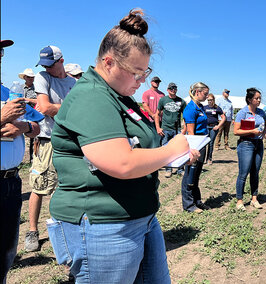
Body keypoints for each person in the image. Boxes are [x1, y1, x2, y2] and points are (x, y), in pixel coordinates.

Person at [47, 10, 198, 283]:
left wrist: (174, 155)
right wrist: (174, 148)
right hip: (104, 225)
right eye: (136, 73)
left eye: (146, 72)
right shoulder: (92, 97)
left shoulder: (120, 96)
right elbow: (122, 162)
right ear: (109, 63)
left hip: (139, 216)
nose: (142, 81)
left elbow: (139, 148)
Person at [25, 45, 76, 252]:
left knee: (64, 188)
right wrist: (72, 108)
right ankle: (32, 231)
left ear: (61, 61)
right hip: (47, 140)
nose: (46, 68)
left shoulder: (74, 82)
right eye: (44, 65)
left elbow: (53, 108)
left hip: (69, 140)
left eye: (50, 64)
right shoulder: (42, 77)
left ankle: (61, 230)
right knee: (39, 187)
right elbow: (45, 108)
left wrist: (59, 110)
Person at [1, 38, 43, 284]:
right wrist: (2, 117)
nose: (0, 56)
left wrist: (24, 127)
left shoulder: (9, 93)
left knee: (6, 250)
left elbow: (36, 126)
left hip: (11, 183)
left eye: (1, 51)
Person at [233, 88, 266, 210]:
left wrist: (264, 133)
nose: (259, 100)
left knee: (255, 172)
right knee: (243, 173)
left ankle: (254, 198)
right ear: (249, 99)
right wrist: (251, 131)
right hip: (246, 144)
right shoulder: (243, 113)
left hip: (258, 144)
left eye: (259, 98)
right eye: (256, 98)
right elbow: (236, 131)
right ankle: (240, 201)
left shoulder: (261, 112)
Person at [181, 82, 211, 213]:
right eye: (205, 94)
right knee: (189, 174)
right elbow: (190, 132)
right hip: (195, 144)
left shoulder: (201, 107)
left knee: (196, 174)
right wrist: (193, 150)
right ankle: (188, 204)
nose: (206, 96)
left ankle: (197, 201)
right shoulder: (191, 109)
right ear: (197, 92)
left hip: (202, 143)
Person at [155, 82, 186, 177]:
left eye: (175, 88)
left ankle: (180, 169)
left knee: (180, 149)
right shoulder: (163, 100)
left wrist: (184, 129)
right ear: (168, 90)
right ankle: (169, 169)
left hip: (177, 130)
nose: (173, 90)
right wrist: (158, 127)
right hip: (165, 129)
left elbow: (185, 116)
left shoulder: (181, 101)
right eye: (171, 88)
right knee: (166, 150)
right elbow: (157, 114)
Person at [18, 68, 37, 163]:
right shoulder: (20, 88)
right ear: (25, 77)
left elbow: (39, 101)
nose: (31, 79)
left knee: (33, 137)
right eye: (29, 77)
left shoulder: (37, 89)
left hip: (32, 115)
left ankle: (32, 159)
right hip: (21, 115)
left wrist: (27, 100)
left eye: (32, 77)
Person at [203, 93, 225, 164]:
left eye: (211, 100)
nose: (210, 101)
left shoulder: (217, 108)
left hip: (213, 127)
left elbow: (223, 118)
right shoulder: (204, 107)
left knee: (211, 142)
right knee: (204, 143)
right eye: (208, 100)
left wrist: (218, 126)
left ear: (214, 100)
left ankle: (209, 158)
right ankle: (202, 159)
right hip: (205, 127)